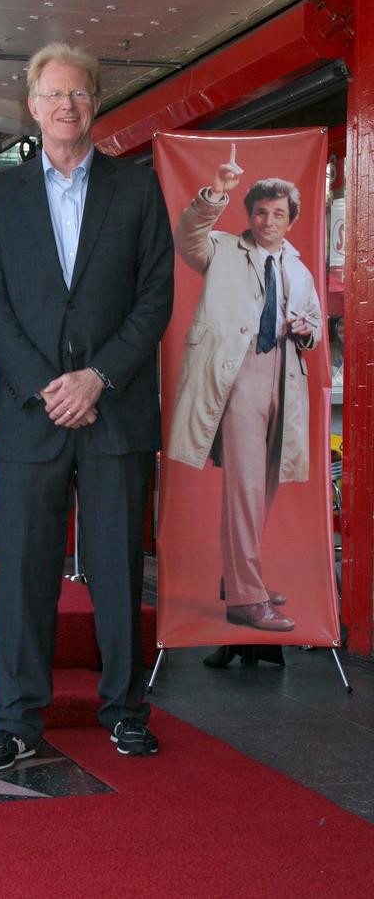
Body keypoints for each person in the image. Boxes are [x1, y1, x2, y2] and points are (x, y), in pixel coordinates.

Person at [0, 43, 174, 770]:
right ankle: (18, 720)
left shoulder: (138, 188)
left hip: (114, 412)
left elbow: (156, 298)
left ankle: (125, 710)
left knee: (118, 568)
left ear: (96, 104)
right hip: (32, 414)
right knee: (25, 573)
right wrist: (47, 385)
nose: (66, 107)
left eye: (79, 95)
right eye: (53, 95)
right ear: (32, 106)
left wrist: (98, 378)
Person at [167, 148, 322, 632]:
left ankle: (238, 577)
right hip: (239, 377)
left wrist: (305, 327)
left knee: (266, 483)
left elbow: (316, 323)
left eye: (278, 213)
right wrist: (215, 193)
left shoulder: (298, 269)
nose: (268, 220)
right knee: (246, 488)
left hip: (285, 379)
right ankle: (245, 597)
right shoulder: (221, 248)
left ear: (291, 220)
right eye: (260, 212)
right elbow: (186, 238)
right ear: (249, 215)